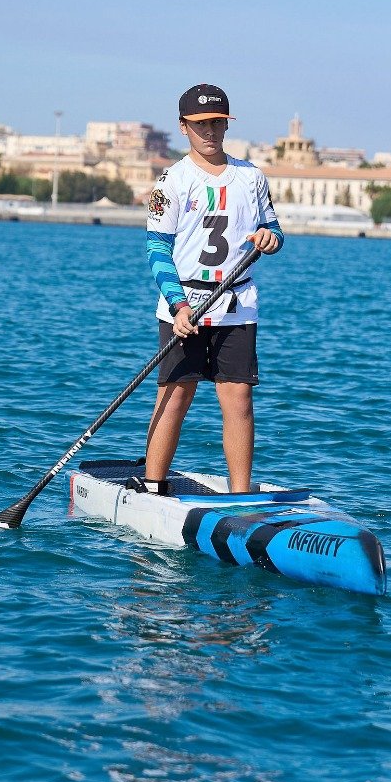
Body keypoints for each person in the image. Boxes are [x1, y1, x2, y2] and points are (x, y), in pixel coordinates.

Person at [135, 84, 284, 496]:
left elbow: (273, 229)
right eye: (200, 124)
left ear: (226, 125)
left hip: (236, 303)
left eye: (217, 122)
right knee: (175, 396)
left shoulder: (251, 177)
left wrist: (270, 239)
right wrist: (179, 305)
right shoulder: (172, 181)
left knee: (239, 400)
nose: (210, 131)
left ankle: (241, 496)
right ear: (183, 127)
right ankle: (153, 487)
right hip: (184, 304)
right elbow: (157, 248)